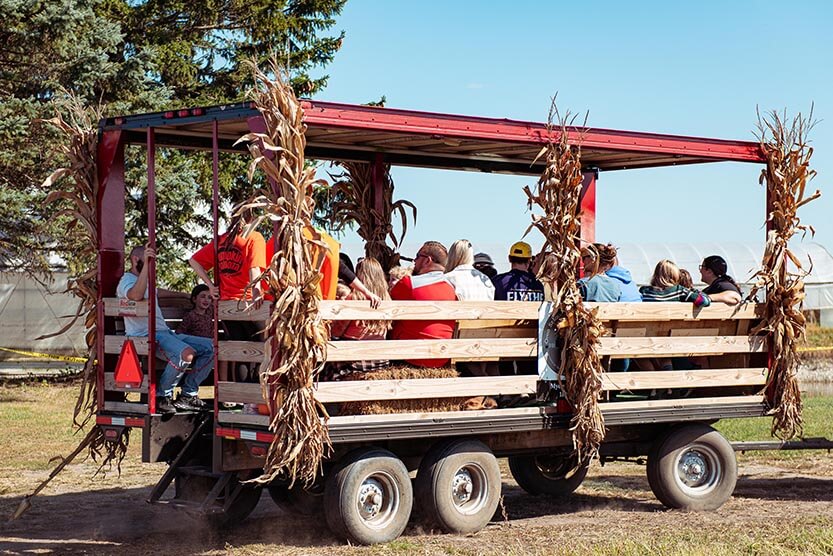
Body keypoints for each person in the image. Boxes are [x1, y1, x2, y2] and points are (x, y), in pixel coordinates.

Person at [118, 244, 213, 415]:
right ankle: (162, 396)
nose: (152, 266)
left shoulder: (145, 282)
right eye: (148, 262)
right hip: (146, 335)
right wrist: (146, 265)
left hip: (165, 334)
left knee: (213, 347)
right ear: (135, 260)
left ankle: (187, 394)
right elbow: (135, 295)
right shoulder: (126, 281)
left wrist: (184, 296)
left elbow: (157, 293)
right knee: (186, 354)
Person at [190, 206, 265, 382]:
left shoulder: (222, 240)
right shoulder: (254, 238)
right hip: (247, 302)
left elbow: (194, 261)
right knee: (260, 348)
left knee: (240, 351)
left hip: (226, 305)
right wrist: (257, 292)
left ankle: (241, 398)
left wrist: (210, 285)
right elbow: (254, 269)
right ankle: (254, 396)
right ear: (251, 218)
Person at [390, 241, 457, 367]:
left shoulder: (410, 283)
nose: (414, 261)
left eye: (417, 256)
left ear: (428, 260)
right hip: (442, 356)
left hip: (413, 355)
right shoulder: (451, 288)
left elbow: (388, 303)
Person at [328, 258, 392, 379]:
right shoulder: (386, 299)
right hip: (380, 360)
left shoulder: (353, 298)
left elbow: (336, 331)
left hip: (354, 361)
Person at [639, 260, 711, 306]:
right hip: (677, 329)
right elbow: (704, 302)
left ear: (656, 275)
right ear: (674, 276)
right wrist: (698, 292)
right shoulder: (679, 291)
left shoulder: (644, 292)